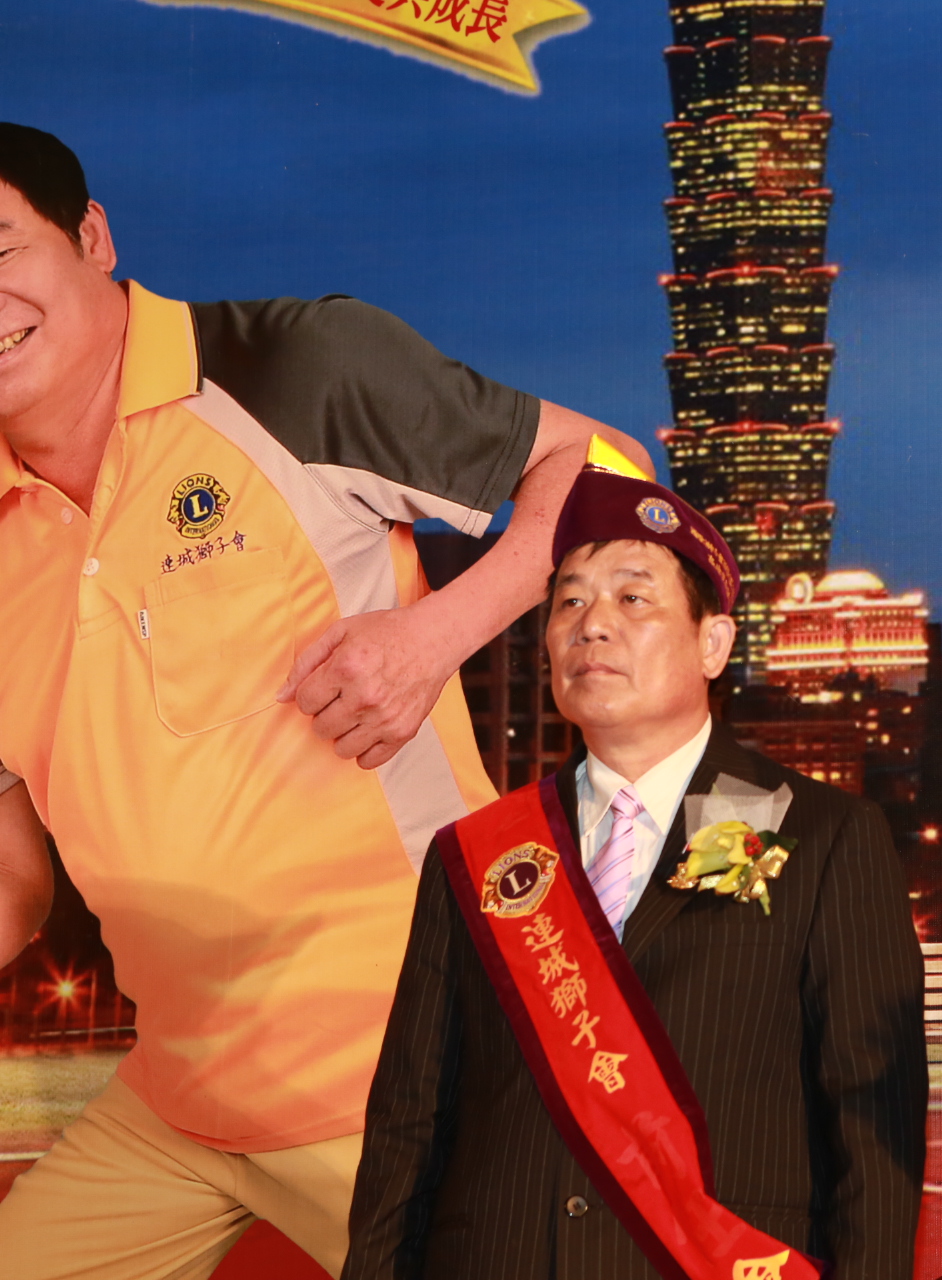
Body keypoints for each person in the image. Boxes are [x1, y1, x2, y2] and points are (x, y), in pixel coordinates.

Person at [0, 122, 647, 1277]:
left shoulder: (289, 370)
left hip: (415, 1071)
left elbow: (609, 468)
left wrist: (433, 635)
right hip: (181, 1097)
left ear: (91, 236)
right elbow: (14, 878)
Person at [342, 444, 927, 1280]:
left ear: (713, 643)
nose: (593, 623)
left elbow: (874, 1136)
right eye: (569, 601)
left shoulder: (824, 837)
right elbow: (408, 1124)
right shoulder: (478, 855)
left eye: (632, 597)